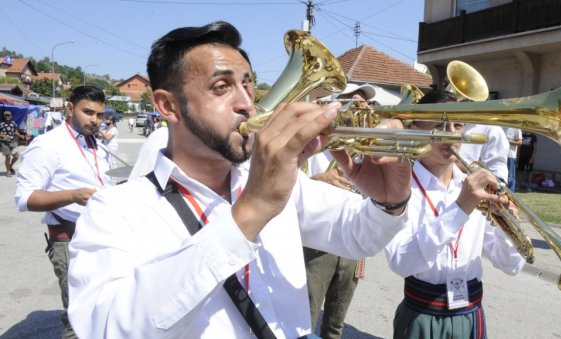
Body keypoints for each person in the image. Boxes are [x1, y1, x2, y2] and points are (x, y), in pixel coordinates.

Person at [67, 21, 413, 338]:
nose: (248, 103)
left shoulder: (280, 183)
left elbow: (359, 237)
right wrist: (251, 211)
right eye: (222, 87)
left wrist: (390, 202)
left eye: (247, 84)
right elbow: (107, 327)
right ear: (168, 106)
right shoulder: (114, 210)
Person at [384, 90, 525, 339]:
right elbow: (401, 262)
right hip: (422, 315)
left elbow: (512, 265)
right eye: (439, 126)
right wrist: (460, 209)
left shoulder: (475, 187)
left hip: (470, 315)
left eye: (457, 125)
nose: (451, 135)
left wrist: (507, 226)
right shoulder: (400, 187)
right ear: (416, 130)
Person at [14, 86, 110, 339]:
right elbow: (25, 198)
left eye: (100, 115)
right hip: (69, 240)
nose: (95, 120)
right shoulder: (47, 145)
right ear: (69, 108)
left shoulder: (95, 143)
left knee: (102, 311)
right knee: (78, 321)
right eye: (88, 112)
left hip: (100, 236)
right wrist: (72, 195)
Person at [303, 84, 375, 339]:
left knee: (336, 323)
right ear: (337, 105)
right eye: (354, 102)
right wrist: (315, 180)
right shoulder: (311, 143)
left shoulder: (366, 148)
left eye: (364, 104)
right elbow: (284, 190)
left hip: (351, 239)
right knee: (305, 319)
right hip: (317, 243)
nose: (360, 107)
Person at [0, 110, 24, 177]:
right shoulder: (1, 124)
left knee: (16, 156)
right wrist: (2, 136)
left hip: (13, 142)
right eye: (6, 115)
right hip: (5, 143)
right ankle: (8, 171)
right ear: (4, 116)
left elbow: (15, 131)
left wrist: (20, 135)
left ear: (11, 116)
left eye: (8, 115)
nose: (7, 116)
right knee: (8, 157)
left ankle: (10, 166)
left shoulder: (13, 123)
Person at [504, 127, 522, 192]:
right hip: (500, 155)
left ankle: (511, 194)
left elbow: (520, 142)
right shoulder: (499, 126)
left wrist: (508, 141)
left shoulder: (515, 127)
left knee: (510, 176)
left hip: (510, 155)